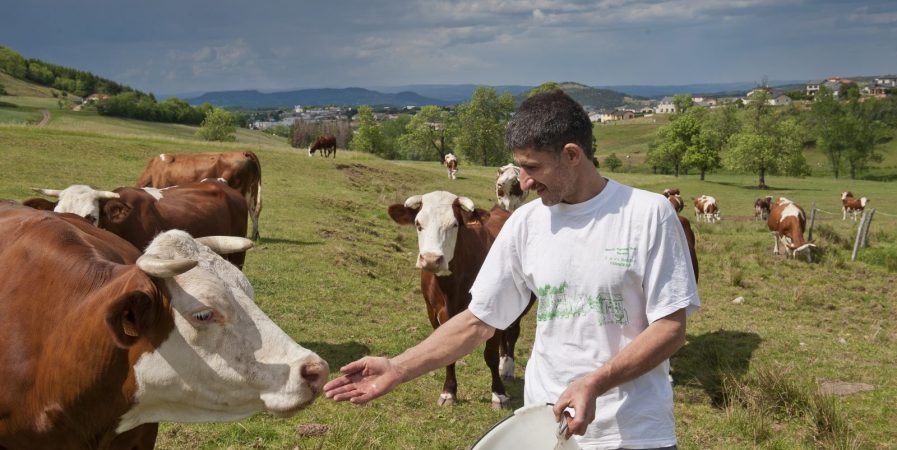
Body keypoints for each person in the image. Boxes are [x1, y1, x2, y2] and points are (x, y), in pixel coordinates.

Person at [324, 90, 699, 450]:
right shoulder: (526, 224)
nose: (524, 182)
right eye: (520, 167)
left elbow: (670, 328)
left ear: (572, 155)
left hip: (631, 433)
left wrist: (595, 383)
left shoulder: (648, 215)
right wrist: (398, 367)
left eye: (532, 167)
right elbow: (478, 320)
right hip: (543, 428)